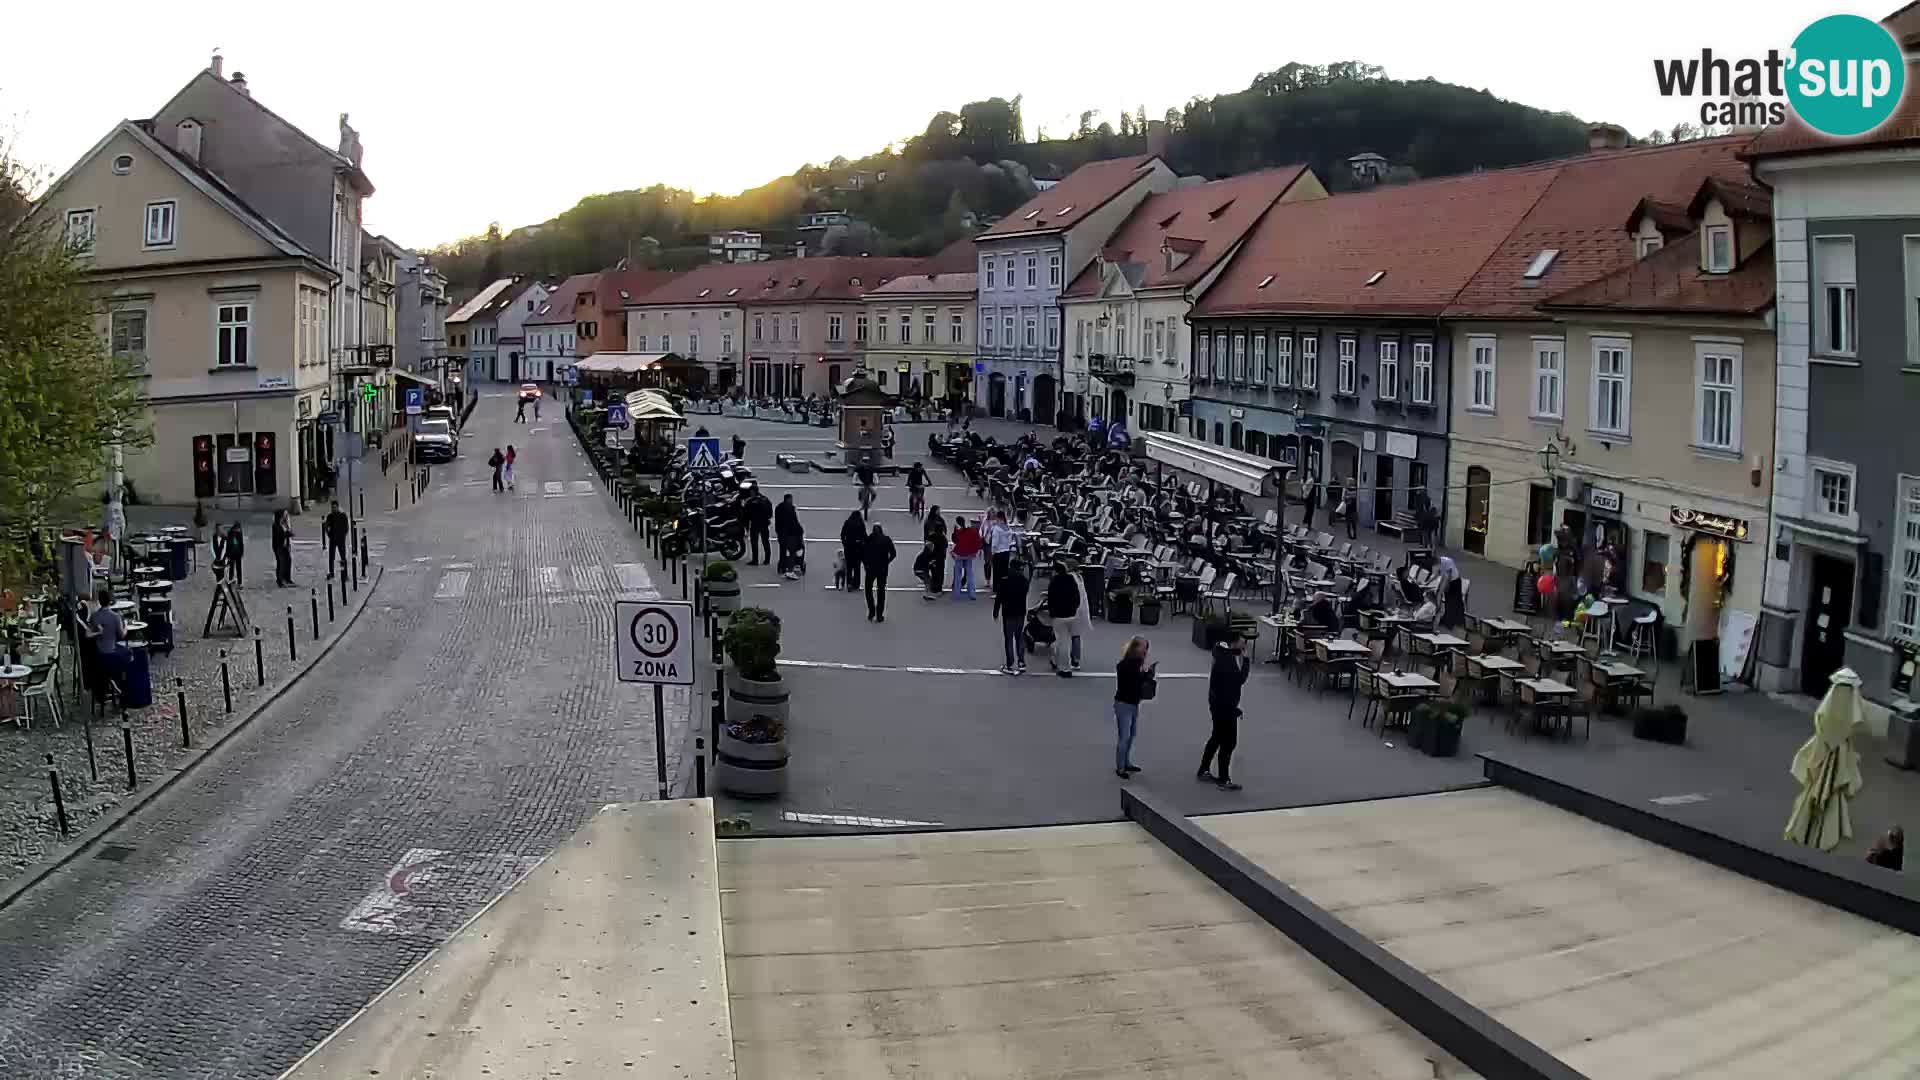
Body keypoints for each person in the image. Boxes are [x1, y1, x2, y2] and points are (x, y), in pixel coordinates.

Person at [1199, 632, 1250, 791]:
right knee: (1229, 742)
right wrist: (1246, 659)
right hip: (1225, 707)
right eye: (1242, 642)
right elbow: (1239, 680)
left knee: (1217, 737)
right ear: (1234, 643)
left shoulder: (1221, 653)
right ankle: (1223, 778)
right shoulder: (1227, 661)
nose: (1244, 645)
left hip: (1217, 704)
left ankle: (1204, 769)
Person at [1114, 637, 1154, 779]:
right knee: (1124, 736)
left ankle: (1126, 762)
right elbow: (1133, 683)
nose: (1146, 650)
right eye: (1144, 647)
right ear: (1135, 648)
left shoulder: (1136, 663)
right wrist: (1145, 674)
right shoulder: (1126, 665)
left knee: (1131, 735)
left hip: (1132, 703)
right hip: (1124, 704)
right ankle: (1120, 767)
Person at [994, 557, 1031, 675]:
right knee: (1019, 637)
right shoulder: (1024, 580)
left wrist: (996, 611)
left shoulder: (1005, 579)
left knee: (1009, 639)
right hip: (1020, 611)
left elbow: (999, 597)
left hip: (1008, 612)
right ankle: (1021, 662)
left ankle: (1010, 664)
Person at [1045, 560, 1081, 677]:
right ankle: (1056, 660)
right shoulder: (1071, 580)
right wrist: (1074, 609)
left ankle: (1064, 668)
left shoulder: (1054, 582)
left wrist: (1051, 612)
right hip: (1071, 614)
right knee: (1066, 640)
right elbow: (1077, 597)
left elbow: (1050, 599)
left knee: (1061, 641)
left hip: (1059, 616)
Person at [863, 523, 896, 622]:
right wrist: (887, 562)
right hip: (882, 569)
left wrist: (866, 565)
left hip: (870, 569)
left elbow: (863, 554)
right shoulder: (886, 539)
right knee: (881, 591)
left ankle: (871, 610)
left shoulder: (868, 539)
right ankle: (879, 614)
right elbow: (893, 554)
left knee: (868, 589)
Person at [774, 494, 804, 579]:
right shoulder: (790, 509)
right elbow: (793, 522)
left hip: (781, 533)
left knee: (783, 551)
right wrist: (799, 531)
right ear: (788, 499)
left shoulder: (779, 507)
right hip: (790, 534)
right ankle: (790, 570)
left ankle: (782, 567)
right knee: (792, 551)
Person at [951, 516, 981, 599]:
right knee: (969, 574)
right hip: (969, 554)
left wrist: (954, 531)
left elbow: (955, 540)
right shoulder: (972, 531)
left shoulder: (958, 532)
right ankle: (972, 593)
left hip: (959, 554)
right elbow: (977, 541)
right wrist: (974, 552)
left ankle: (956, 593)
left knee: (957, 574)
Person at [743, 484, 773, 566]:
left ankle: (755, 560)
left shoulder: (750, 502)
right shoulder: (765, 499)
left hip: (755, 524)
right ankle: (767, 559)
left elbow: (746, 514)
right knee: (765, 541)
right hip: (764, 523)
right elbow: (770, 512)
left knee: (754, 542)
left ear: (753, 492)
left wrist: (746, 526)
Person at [921, 507, 948, 599]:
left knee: (934, 570)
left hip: (933, 555)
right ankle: (938, 588)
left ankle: (934, 587)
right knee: (939, 572)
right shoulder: (942, 537)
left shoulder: (930, 524)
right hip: (940, 556)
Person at [839, 511, 867, 593]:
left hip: (848, 548)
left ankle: (849, 584)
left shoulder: (847, 523)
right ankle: (856, 584)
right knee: (857, 567)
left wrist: (845, 543)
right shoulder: (861, 524)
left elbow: (842, 534)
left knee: (849, 567)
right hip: (858, 549)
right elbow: (864, 536)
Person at [1436, 556, 1466, 629]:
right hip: (1450, 579)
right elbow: (1438, 575)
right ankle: (1447, 619)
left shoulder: (1447, 564)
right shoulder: (1440, 562)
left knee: (1454, 601)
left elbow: (1447, 579)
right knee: (1448, 600)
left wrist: (1443, 589)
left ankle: (1456, 622)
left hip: (1455, 582)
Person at [986, 510, 1014, 586]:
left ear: (998, 518)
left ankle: (997, 590)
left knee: (997, 572)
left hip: (998, 552)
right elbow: (1010, 540)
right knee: (1004, 572)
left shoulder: (996, 528)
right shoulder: (1008, 528)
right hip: (1006, 552)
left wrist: (992, 552)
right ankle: (1004, 588)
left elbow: (995, 542)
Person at [324, 500, 350, 577]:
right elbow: (326, 527)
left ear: (338, 507)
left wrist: (343, 535)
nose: (333, 509)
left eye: (335, 507)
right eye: (332, 508)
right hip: (332, 539)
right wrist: (329, 535)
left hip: (341, 540)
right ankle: (331, 573)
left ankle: (345, 574)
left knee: (343, 557)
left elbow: (346, 527)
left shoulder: (343, 515)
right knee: (331, 557)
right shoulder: (330, 516)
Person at [272, 509, 295, 587]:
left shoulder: (284, 524)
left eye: (286, 515)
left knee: (288, 561)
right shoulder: (276, 525)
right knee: (281, 563)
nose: (285, 517)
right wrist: (286, 534)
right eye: (284, 515)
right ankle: (280, 580)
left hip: (285, 546)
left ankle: (287, 578)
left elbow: (287, 531)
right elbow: (278, 537)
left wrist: (289, 532)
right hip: (279, 547)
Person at [223, 522, 245, 586]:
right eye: (238, 529)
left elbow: (241, 544)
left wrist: (241, 552)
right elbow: (228, 545)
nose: (239, 530)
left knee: (238, 568)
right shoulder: (230, 534)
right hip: (232, 554)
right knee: (231, 568)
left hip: (238, 554)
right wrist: (227, 554)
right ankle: (231, 579)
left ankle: (239, 582)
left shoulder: (239, 534)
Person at [1343, 474, 1360, 539]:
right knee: (1353, 522)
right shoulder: (1355, 489)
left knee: (1348, 521)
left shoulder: (1345, 489)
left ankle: (1349, 534)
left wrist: (1348, 497)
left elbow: (1343, 498)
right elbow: (1356, 497)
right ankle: (1354, 534)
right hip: (1353, 506)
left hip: (1348, 506)